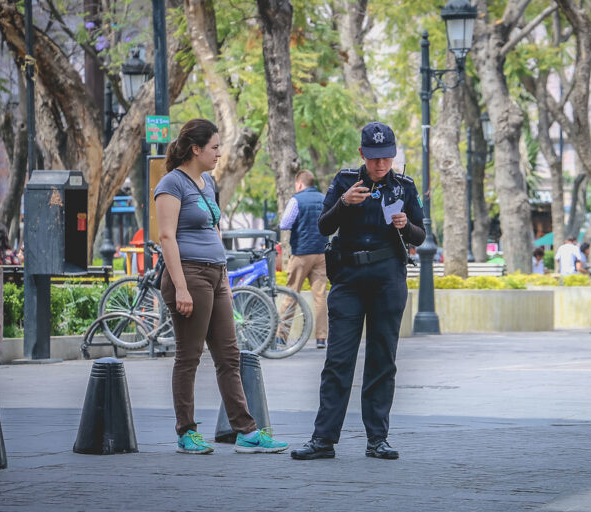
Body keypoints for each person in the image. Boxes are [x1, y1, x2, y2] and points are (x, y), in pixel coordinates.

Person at [291, 121, 425, 461]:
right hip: (349, 278)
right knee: (338, 360)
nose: (380, 164)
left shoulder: (404, 187)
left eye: (386, 158)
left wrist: (405, 225)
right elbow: (324, 226)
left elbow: (420, 235)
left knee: (382, 360)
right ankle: (323, 440)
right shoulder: (345, 181)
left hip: (387, 278)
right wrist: (344, 203)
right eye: (374, 157)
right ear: (362, 153)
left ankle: (377, 439)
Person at [155, 118, 288, 455]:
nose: (218, 154)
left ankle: (247, 433)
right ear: (195, 149)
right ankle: (186, 432)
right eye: (214, 147)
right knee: (189, 357)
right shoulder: (172, 183)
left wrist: (224, 276)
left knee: (229, 356)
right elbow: (167, 237)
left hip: (216, 276)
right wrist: (181, 288)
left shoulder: (207, 183)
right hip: (189, 275)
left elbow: (214, 228)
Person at [279, 169, 328, 349]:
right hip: (321, 253)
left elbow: (285, 224)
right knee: (320, 297)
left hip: (301, 253)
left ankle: (281, 337)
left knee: (291, 294)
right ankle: (321, 338)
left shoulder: (296, 200)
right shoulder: (324, 199)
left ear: (299, 184)